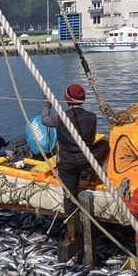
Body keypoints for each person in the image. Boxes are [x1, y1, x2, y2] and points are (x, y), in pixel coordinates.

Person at [41, 83, 97, 243]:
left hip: (67, 165)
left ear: (67, 99)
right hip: (85, 163)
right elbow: (91, 140)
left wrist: (46, 104)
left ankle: (72, 234)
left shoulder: (60, 117)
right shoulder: (91, 117)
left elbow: (45, 120)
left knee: (69, 198)